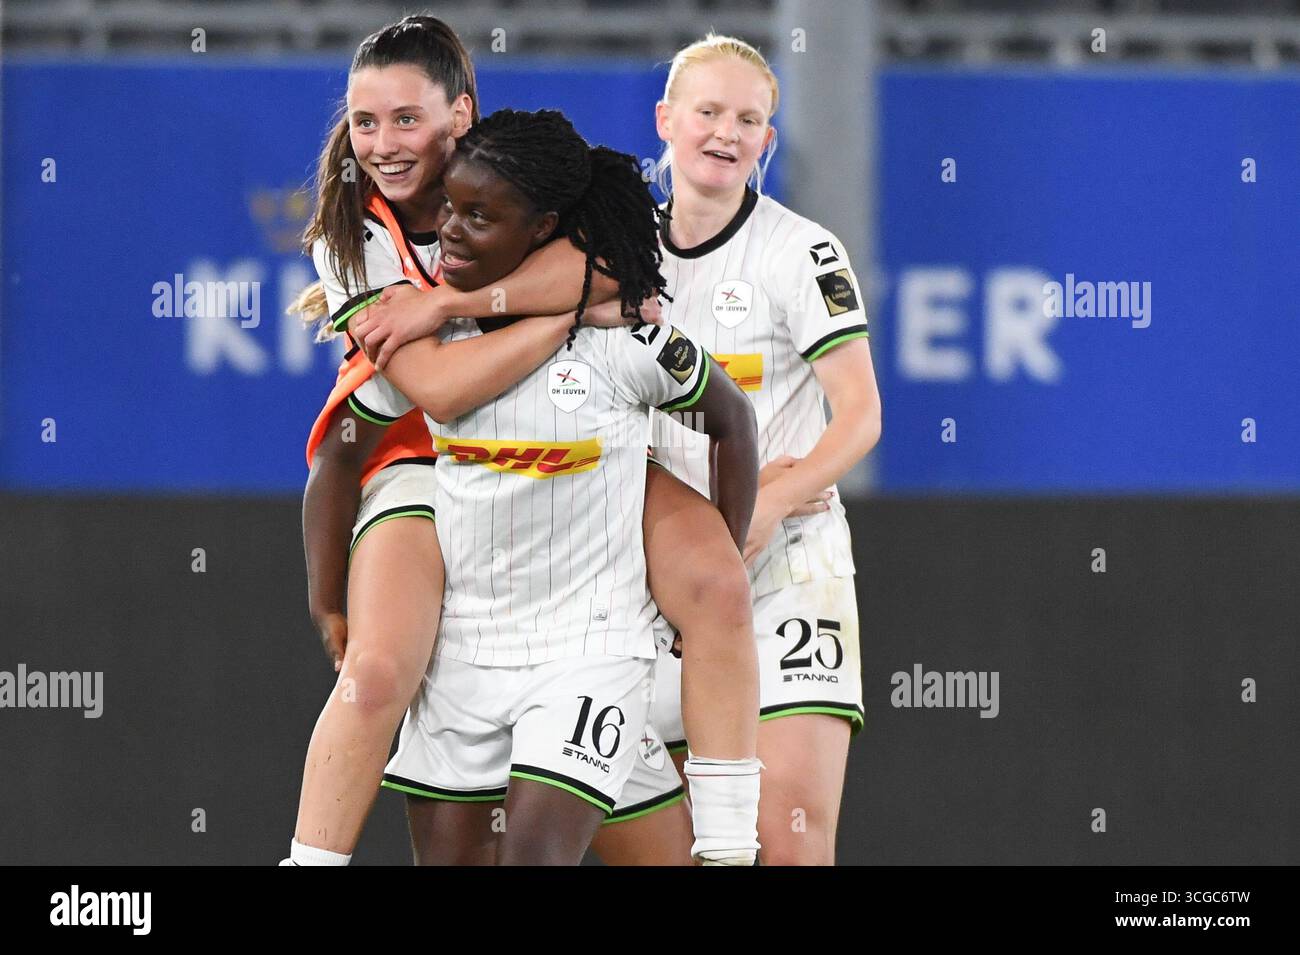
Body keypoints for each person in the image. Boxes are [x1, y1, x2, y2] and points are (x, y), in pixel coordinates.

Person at [283, 16, 680, 867]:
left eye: (407, 118)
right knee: (380, 671)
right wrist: (559, 312)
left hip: (569, 464)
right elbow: (441, 392)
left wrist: (448, 304)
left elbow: (624, 264)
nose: (383, 143)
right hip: (425, 461)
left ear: (461, 112)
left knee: (711, 579)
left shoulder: (524, 175)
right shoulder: (349, 233)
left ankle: (735, 798)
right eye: (364, 121)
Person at [344, 107, 760, 864]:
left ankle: (736, 845)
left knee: (533, 855)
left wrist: (723, 550)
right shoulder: (430, 344)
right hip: (464, 656)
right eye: (446, 209)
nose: (450, 230)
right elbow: (341, 455)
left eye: (478, 215)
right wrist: (325, 595)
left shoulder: (625, 337)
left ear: (542, 229)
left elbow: (734, 422)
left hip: (589, 651)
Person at [644, 34, 883, 865]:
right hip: (657, 571)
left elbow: (859, 416)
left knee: (788, 829)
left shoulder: (802, 251)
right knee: (680, 842)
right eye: (708, 111)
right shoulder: (614, 248)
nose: (727, 132)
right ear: (666, 121)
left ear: (768, 141)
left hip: (787, 566)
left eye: (750, 119)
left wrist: (772, 500)